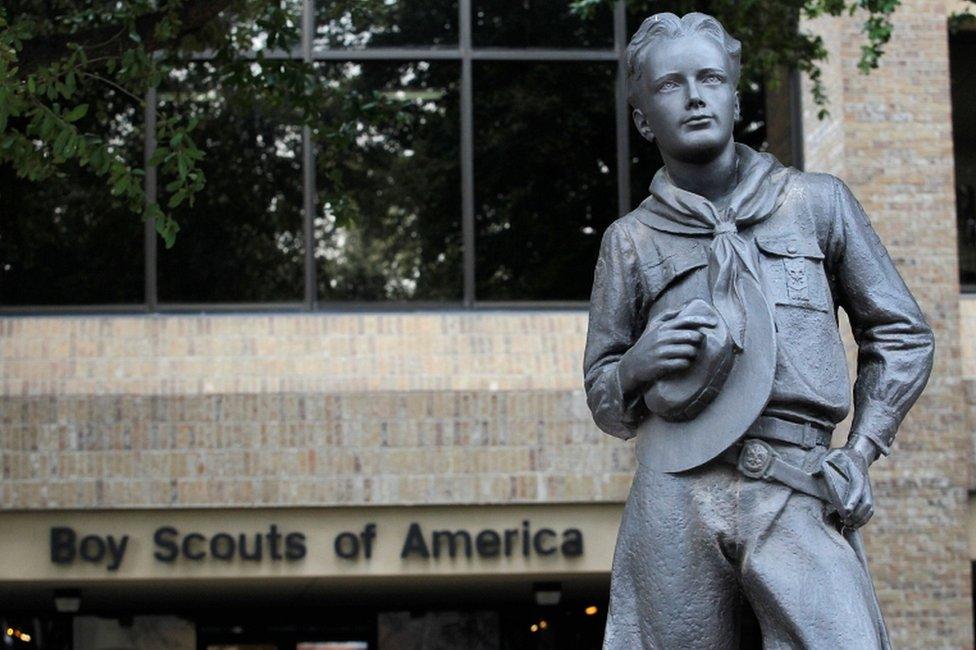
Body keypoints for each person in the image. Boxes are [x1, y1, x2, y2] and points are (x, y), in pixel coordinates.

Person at [583, 12, 934, 649]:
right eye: (669, 86)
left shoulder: (815, 203)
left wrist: (860, 450)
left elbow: (902, 334)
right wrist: (635, 366)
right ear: (641, 120)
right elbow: (604, 397)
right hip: (676, 489)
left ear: (734, 96)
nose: (694, 96)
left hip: (796, 478)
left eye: (710, 78)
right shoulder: (629, 242)